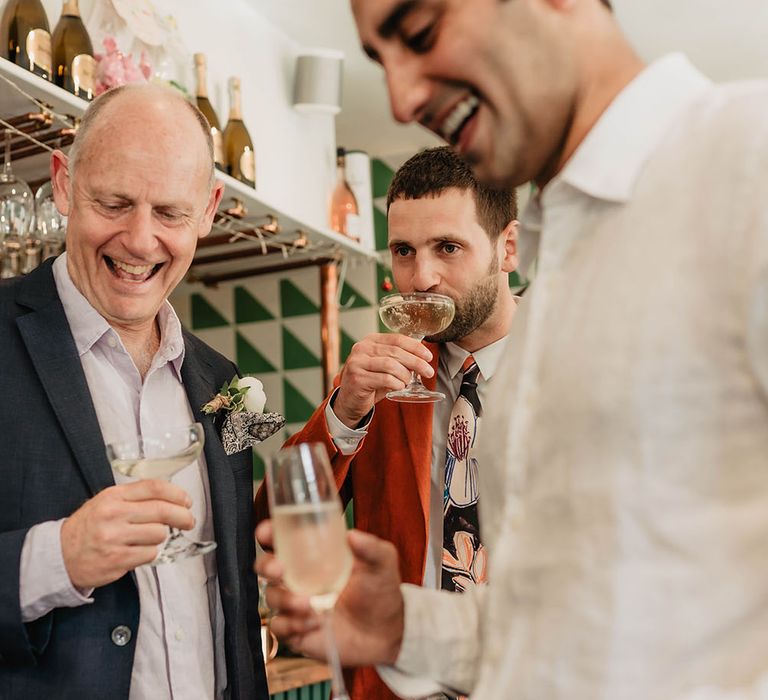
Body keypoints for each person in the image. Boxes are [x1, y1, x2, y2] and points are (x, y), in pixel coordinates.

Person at [257, 0, 768, 698]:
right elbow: (559, 625)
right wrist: (403, 624)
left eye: (420, 33)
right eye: (384, 61)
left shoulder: (750, 160)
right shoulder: (565, 267)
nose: (402, 101)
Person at [0, 84, 269, 699]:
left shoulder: (222, 380)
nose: (141, 240)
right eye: (115, 202)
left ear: (209, 209)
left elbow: (233, 587)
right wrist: (57, 557)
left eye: (171, 213)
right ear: (65, 183)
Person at [255, 145, 519, 700]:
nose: (421, 277)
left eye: (448, 247)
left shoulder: (573, 372)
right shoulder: (376, 383)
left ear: (507, 247)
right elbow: (274, 525)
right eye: (403, 251)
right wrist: (346, 409)